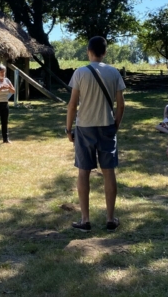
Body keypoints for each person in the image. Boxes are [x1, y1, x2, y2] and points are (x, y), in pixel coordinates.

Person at [66, 36, 126, 232]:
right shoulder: (114, 72)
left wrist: (69, 128)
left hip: (85, 127)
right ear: (105, 52)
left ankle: (85, 219)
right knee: (109, 171)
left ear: (88, 51)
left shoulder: (80, 72)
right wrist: (115, 124)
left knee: (84, 171)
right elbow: (121, 104)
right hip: (107, 125)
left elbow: (73, 104)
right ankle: (110, 218)